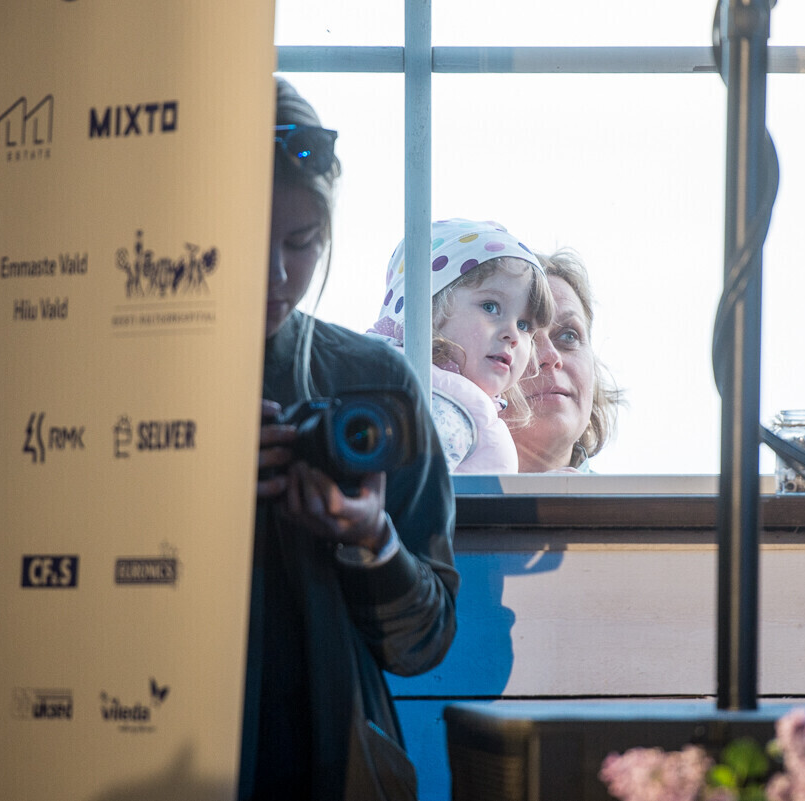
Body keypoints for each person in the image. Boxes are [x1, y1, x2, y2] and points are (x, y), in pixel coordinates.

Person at [242, 77, 459, 801]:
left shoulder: (373, 384)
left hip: (330, 764)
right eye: (244, 241)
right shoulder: (110, 377)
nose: (276, 275)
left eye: (302, 243)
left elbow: (424, 644)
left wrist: (372, 541)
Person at [369, 219, 554, 473]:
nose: (513, 335)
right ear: (428, 309)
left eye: (524, 325)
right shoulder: (437, 404)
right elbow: (418, 488)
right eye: (490, 306)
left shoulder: (455, 398)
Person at [509, 247, 622, 472]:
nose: (550, 356)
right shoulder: (433, 497)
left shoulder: (651, 497)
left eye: (568, 336)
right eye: (522, 332)